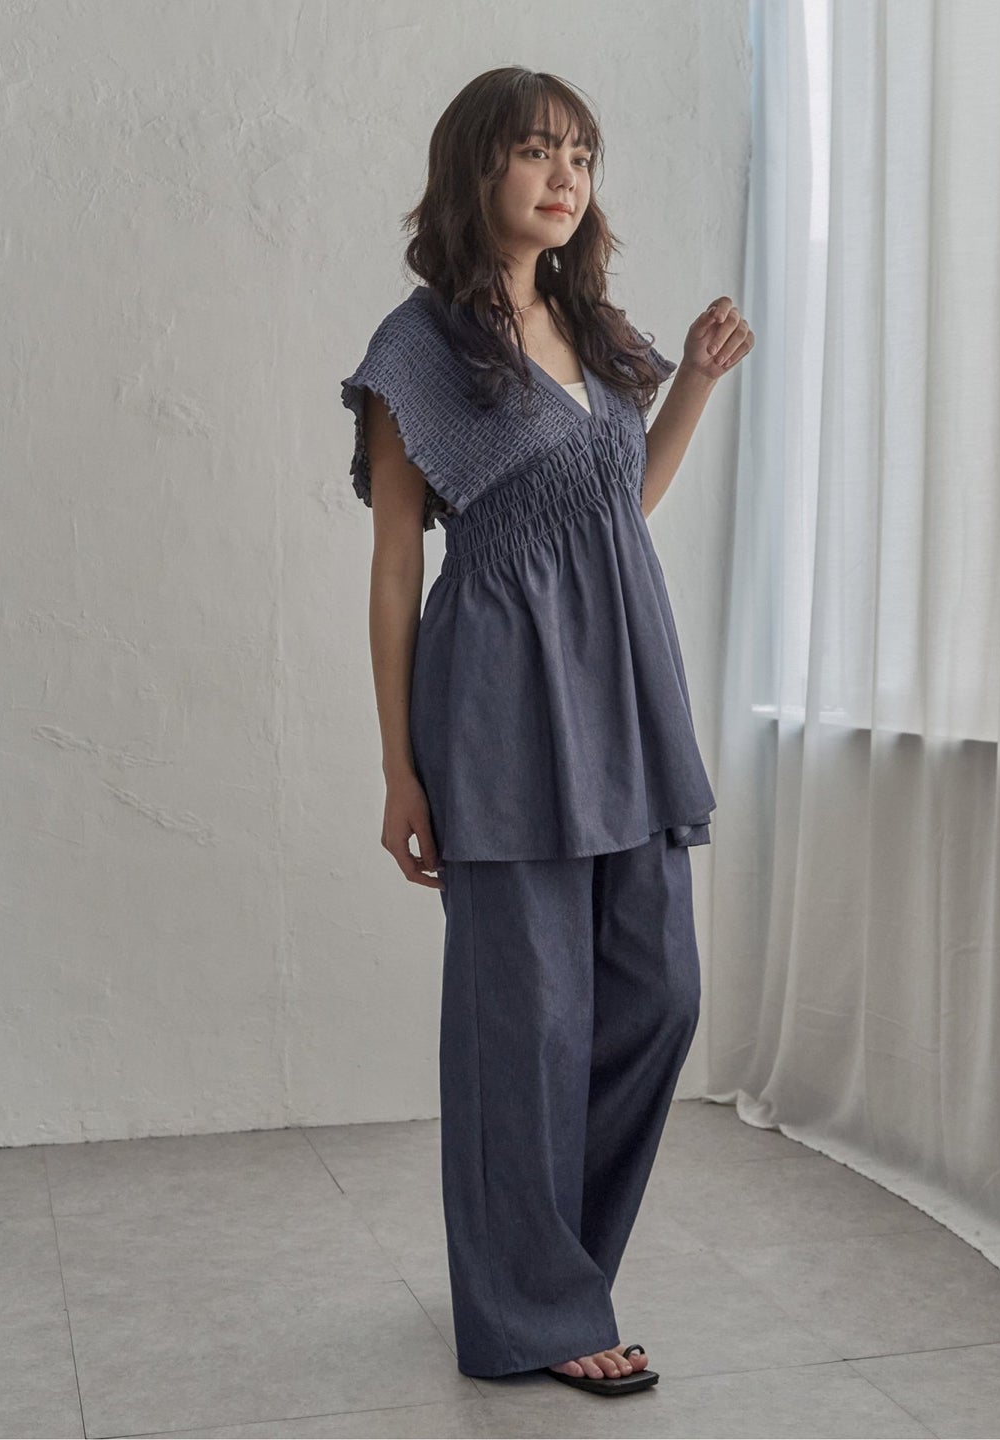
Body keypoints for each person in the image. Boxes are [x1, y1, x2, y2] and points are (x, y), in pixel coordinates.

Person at [341, 66, 753, 1395]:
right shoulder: (418, 350)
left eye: (580, 154)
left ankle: (546, 1269)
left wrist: (692, 382)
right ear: (478, 169)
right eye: (536, 152)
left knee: (658, 996)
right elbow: (395, 565)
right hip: (498, 704)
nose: (565, 176)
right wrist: (400, 767)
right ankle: (538, 1308)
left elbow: (620, 502)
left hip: (621, 693)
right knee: (522, 1022)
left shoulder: (592, 326)